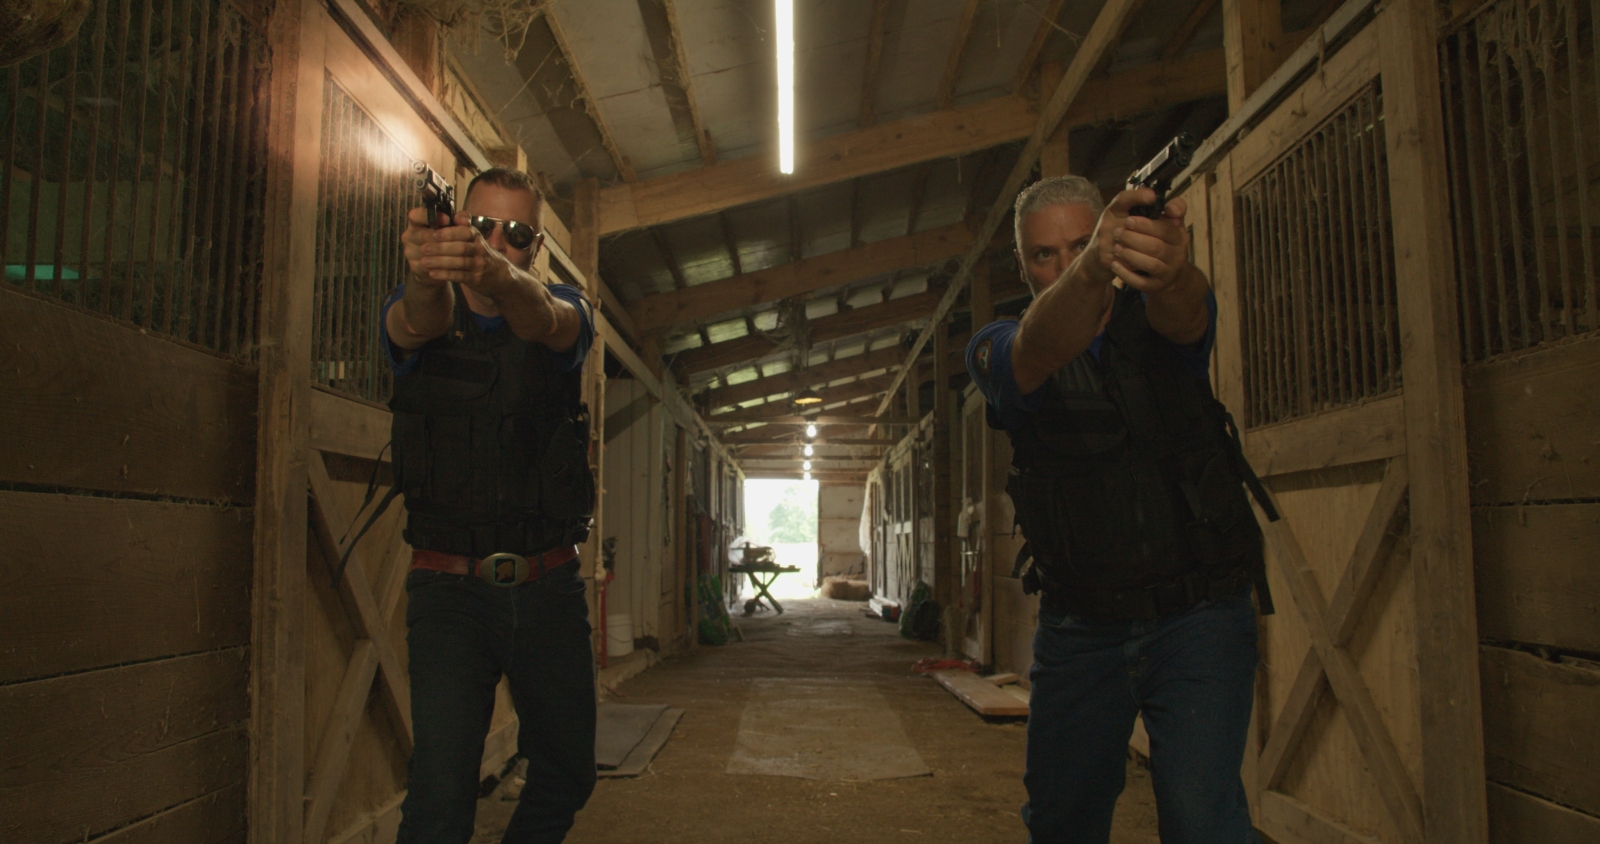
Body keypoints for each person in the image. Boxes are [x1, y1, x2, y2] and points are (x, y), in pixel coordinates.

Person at [966, 175, 1273, 844]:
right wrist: (1092, 267)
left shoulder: (1157, 320)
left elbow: (1189, 312)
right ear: (1022, 265)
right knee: (1063, 823)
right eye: (1045, 255)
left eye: (1082, 244)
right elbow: (1040, 350)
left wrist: (1172, 269)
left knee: (1203, 823)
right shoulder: (1000, 345)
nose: (1067, 263)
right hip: (1082, 629)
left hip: (1198, 616)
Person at [383, 167, 598, 843]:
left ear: (536, 247)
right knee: (440, 800)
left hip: (548, 585)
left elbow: (547, 321)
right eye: (479, 227)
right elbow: (416, 321)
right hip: (449, 592)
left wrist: (495, 276)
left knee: (566, 772)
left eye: (516, 234)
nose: (497, 243)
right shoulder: (421, 309)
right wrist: (426, 273)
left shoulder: (564, 306)